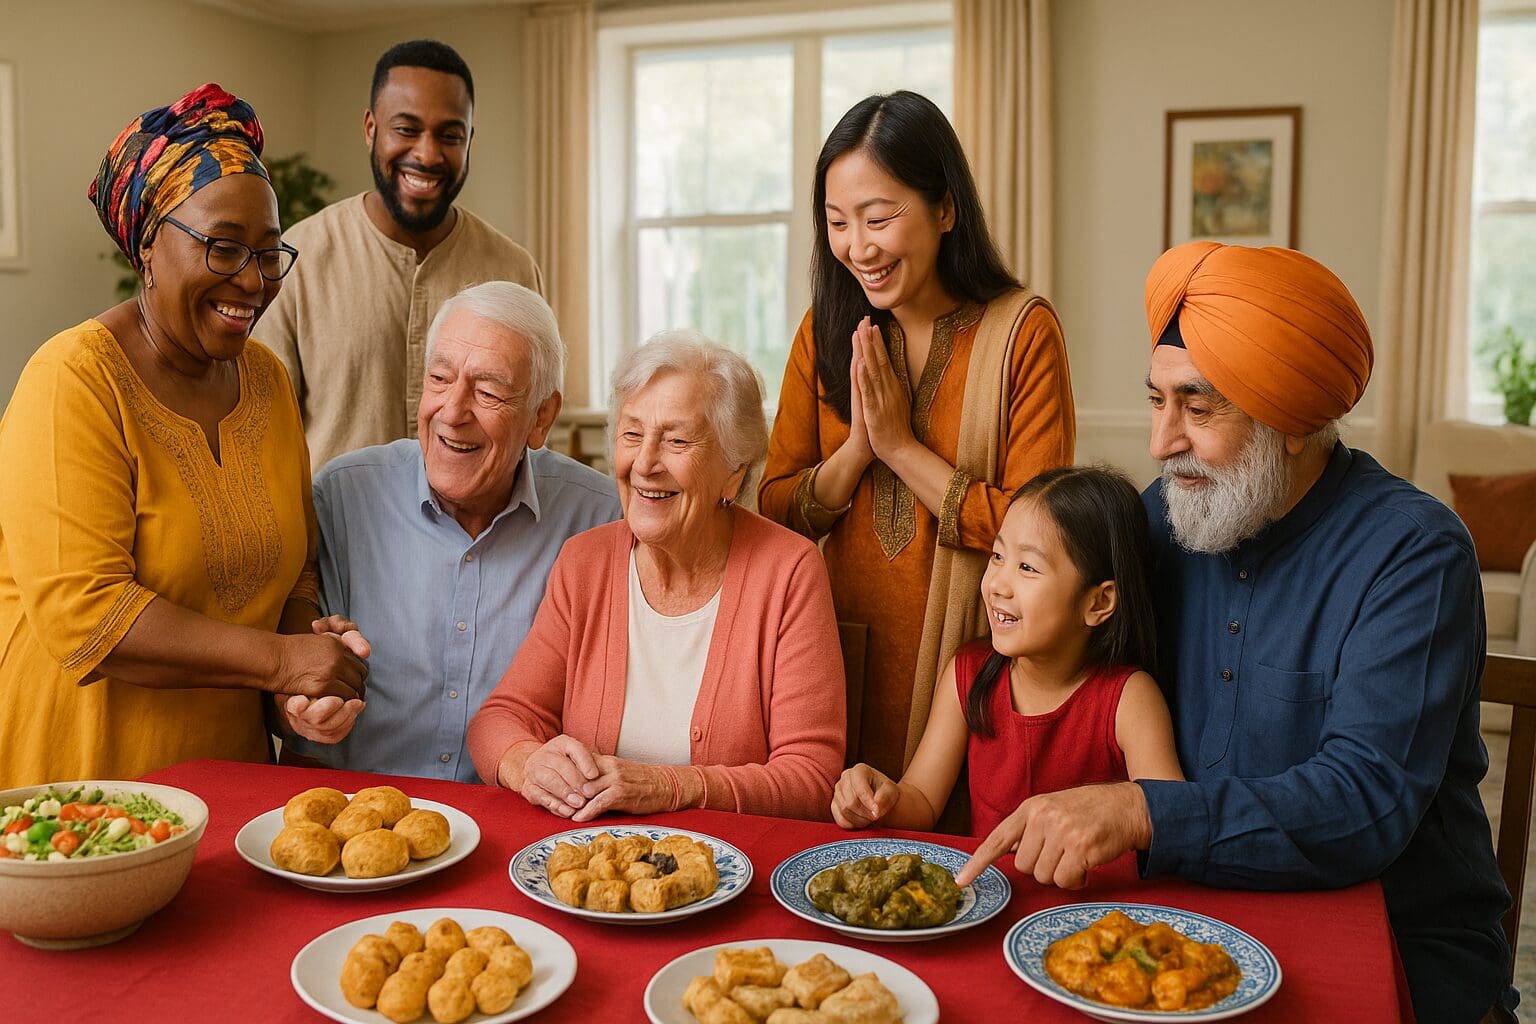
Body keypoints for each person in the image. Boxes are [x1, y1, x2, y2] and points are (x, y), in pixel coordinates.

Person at [956, 242, 1516, 1023]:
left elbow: (1365, 802)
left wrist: (1142, 811)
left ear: (1295, 420)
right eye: (1156, 401)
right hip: (1182, 926)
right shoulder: (1163, 517)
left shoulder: (1413, 553)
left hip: (1396, 939)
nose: (1161, 442)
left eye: (1199, 406)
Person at [0, 84, 368, 787]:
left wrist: (300, 690)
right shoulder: (74, 380)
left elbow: (295, 570)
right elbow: (89, 617)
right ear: (147, 245)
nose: (254, 283)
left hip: (231, 792)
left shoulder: (264, 379)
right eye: (224, 248)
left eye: (269, 254)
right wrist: (282, 662)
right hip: (85, 792)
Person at [757, 91, 1074, 791]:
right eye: (838, 223)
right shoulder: (825, 330)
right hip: (834, 652)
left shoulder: (1023, 332)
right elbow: (776, 511)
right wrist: (857, 452)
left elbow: (1040, 535)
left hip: (975, 664)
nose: (857, 247)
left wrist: (903, 449)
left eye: (878, 218)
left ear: (945, 209)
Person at [467, 331, 845, 820]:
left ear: (734, 471)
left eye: (677, 440)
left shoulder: (789, 572)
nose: (644, 463)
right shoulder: (585, 562)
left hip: (730, 872)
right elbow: (497, 720)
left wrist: (668, 787)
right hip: (595, 867)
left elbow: (810, 779)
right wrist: (526, 762)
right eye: (631, 434)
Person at [282, 282, 621, 779]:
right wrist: (305, 697)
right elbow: (295, 640)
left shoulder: (600, 517)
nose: (454, 411)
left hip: (516, 823)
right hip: (358, 815)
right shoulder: (343, 496)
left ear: (541, 417)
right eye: (439, 379)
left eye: (488, 392)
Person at [831, 466, 1181, 837]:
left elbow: (1173, 819)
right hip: (988, 893)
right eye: (998, 556)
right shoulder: (968, 673)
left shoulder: (1130, 698)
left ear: (1099, 602)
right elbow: (922, 801)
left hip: (1094, 897)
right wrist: (879, 798)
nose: (998, 583)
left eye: (1028, 567)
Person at [263, 39, 544, 470]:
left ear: (470, 139)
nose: (427, 154)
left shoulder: (512, 271)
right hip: (334, 535)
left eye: (449, 135)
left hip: (482, 537)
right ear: (371, 128)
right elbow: (263, 437)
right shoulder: (300, 260)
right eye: (407, 129)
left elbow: (531, 434)